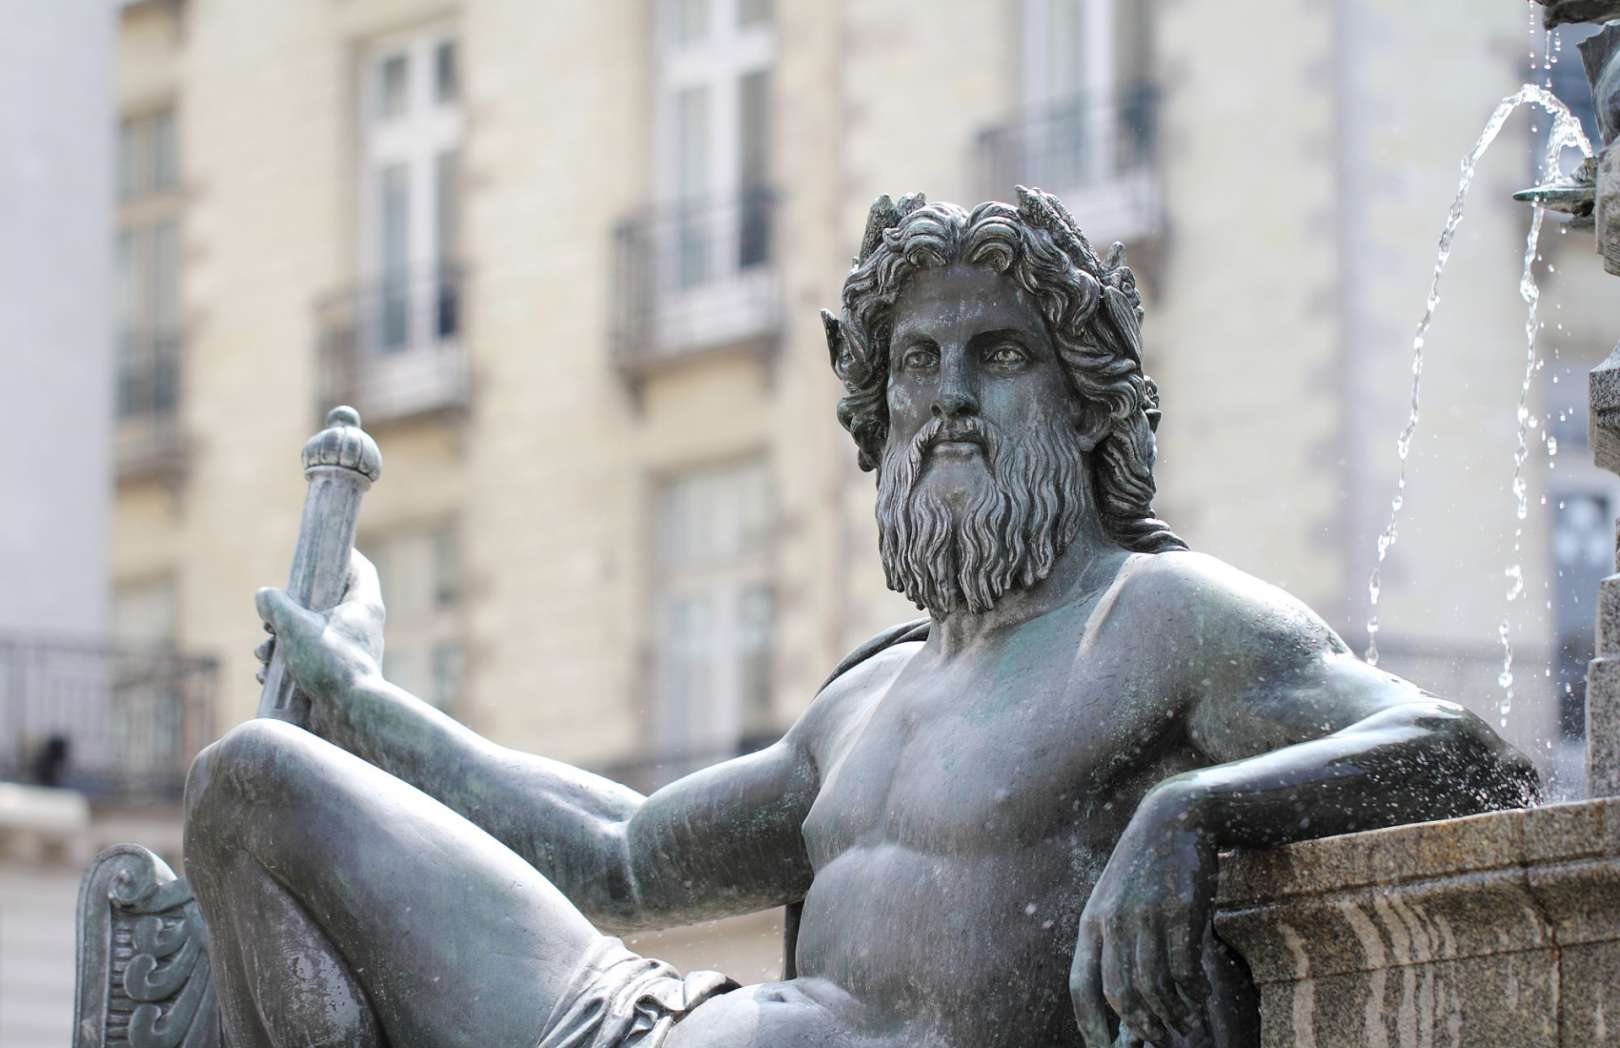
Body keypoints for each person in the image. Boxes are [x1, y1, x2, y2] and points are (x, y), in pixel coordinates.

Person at [183, 189, 1539, 1048]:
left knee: (252, 780)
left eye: (996, 355)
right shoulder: (870, 695)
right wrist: (362, 702)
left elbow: (1466, 757)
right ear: (879, 418)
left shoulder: (1157, 618)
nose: (947, 396)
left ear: (1085, 409)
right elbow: (622, 856)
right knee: (256, 787)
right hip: (645, 1023)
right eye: (915, 363)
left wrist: (1195, 812)